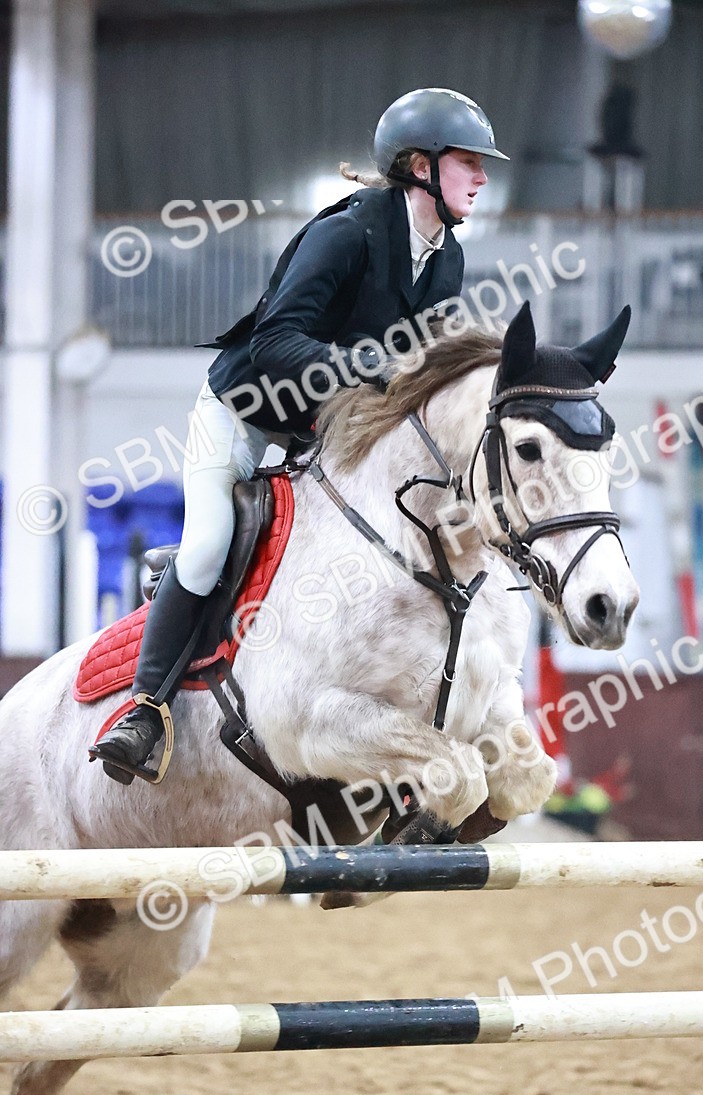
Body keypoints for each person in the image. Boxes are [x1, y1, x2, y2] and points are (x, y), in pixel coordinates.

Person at [91, 87, 509, 784]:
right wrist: (368, 367)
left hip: (325, 427)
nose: (483, 176)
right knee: (206, 546)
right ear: (419, 165)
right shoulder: (346, 233)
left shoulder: (446, 260)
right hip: (246, 408)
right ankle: (144, 710)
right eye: (469, 161)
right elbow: (279, 341)